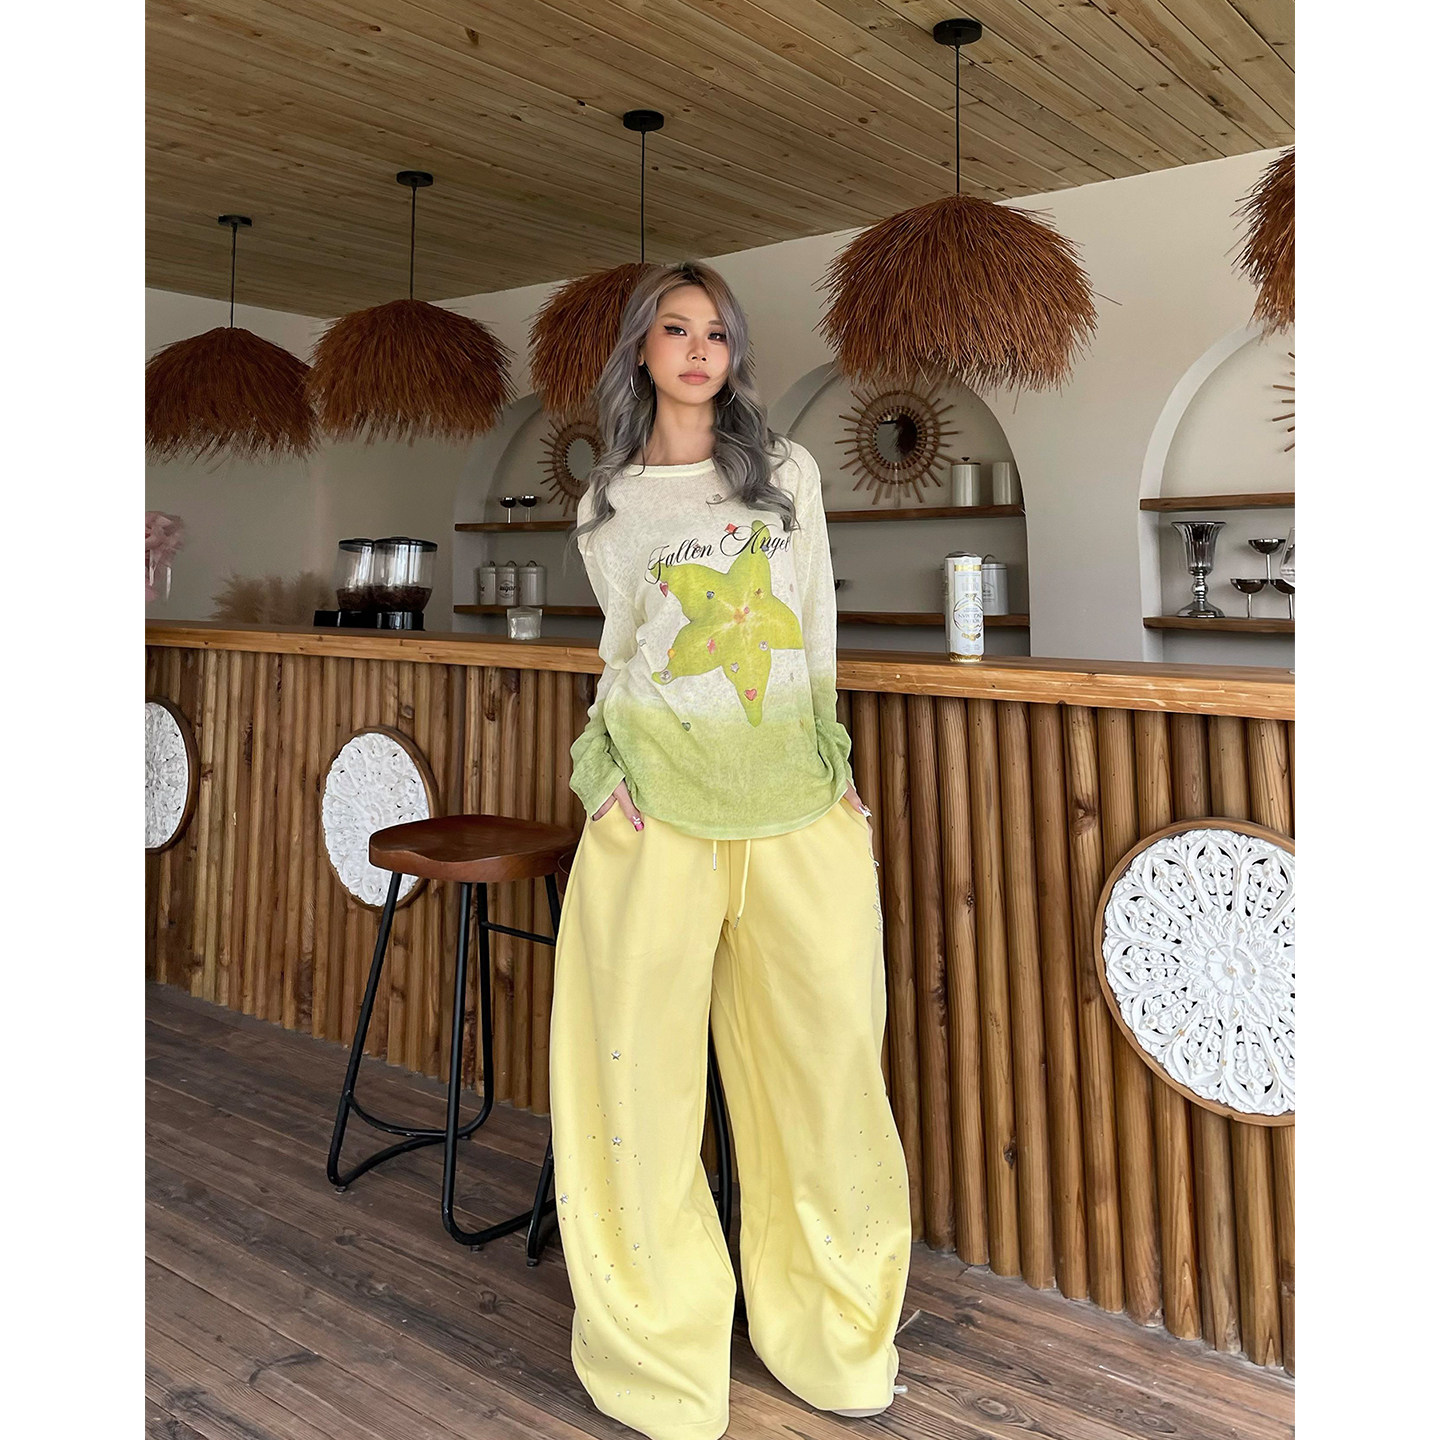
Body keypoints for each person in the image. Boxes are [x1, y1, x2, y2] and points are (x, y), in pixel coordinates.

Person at [548, 260, 911, 1440]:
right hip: (653, 812)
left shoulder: (786, 473)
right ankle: (661, 1361)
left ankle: (836, 1340)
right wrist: (598, 772)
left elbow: (816, 633)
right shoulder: (607, 503)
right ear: (640, 351)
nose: (699, 348)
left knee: (826, 1079)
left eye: (717, 331)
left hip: (796, 808)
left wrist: (835, 764)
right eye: (676, 329)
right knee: (633, 1090)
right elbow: (621, 654)